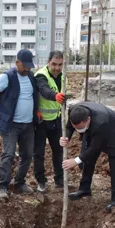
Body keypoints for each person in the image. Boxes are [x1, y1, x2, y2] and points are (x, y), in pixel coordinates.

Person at [0, 49, 39, 200]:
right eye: (25, 66)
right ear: (17, 63)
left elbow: (32, 96)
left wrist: (36, 111)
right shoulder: (6, 77)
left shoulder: (30, 76)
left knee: (27, 155)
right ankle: (3, 186)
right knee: (8, 154)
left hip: (28, 124)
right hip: (11, 125)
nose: (28, 69)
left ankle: (19, 182)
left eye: (30, 66)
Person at [60, 102, 115, 212]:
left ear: (87, 120)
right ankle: (84, 189)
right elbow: (69, 126)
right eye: (76, 128)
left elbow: (94, 148)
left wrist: (76, 160)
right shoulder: (73, 111)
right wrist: (67, 137)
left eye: (80, 128)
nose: (78, 131)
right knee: (88, 160)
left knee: (114, 164)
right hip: (94, 130)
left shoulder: (100, 122)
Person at [33, 51, 68, 193]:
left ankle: (59, 180)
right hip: (40, 121)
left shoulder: (64, 77)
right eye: (54, 64)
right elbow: (43, 90)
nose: (57, 68)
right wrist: (55, 96)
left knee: (58, 151)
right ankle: (41, 181)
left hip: (56, 120)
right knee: (39, 153)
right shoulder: (41, 75)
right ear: (48, 62)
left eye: (60, 65)